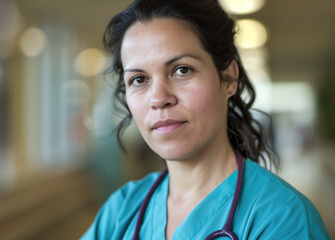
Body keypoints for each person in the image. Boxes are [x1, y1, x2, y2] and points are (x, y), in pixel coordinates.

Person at [81, 0, 330, 239]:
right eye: (139, 79)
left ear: (229, 79)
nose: (158, 98)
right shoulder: (122, 211)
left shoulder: (282, 219)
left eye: (182, 70)